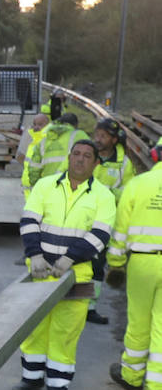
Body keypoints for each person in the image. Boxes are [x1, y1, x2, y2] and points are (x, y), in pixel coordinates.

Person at [14, 138, 116, 390]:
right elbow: (29, 220)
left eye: (87, 156)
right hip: (39, 272)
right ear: (69, 157)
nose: (80, 159)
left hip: (76, 276)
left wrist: (70, 258)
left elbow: (101, 235)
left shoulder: (103, 196)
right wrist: (34, 254)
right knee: (34, 327)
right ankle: (31, 378)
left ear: (96, 163)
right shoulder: (45, 185)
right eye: (76, 153)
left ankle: (57, 387)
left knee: (66, 332)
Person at [106, 152, 162, 390]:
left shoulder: (138, 184)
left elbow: (121, 229)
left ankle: (131, 376)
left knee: (139, 321)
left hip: (142, 262)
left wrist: (115, 262)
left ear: (155, 155)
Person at [84, 118, 138, 324]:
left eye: (103, 136)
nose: (98, 139)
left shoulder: (124, 165)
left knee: (97, 268)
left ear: (114, 140)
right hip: (79, 221)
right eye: (96, 134)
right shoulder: (86, 154)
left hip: (104, 225)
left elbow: (128, 194)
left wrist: (105, 193)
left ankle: (90, 308)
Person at [22, 97, 88, 196]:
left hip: (47, 188)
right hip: (71, 188)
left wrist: (35, 184)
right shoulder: (80, 136)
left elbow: (35, 165)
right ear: (75, 125)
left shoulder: (45, 136)